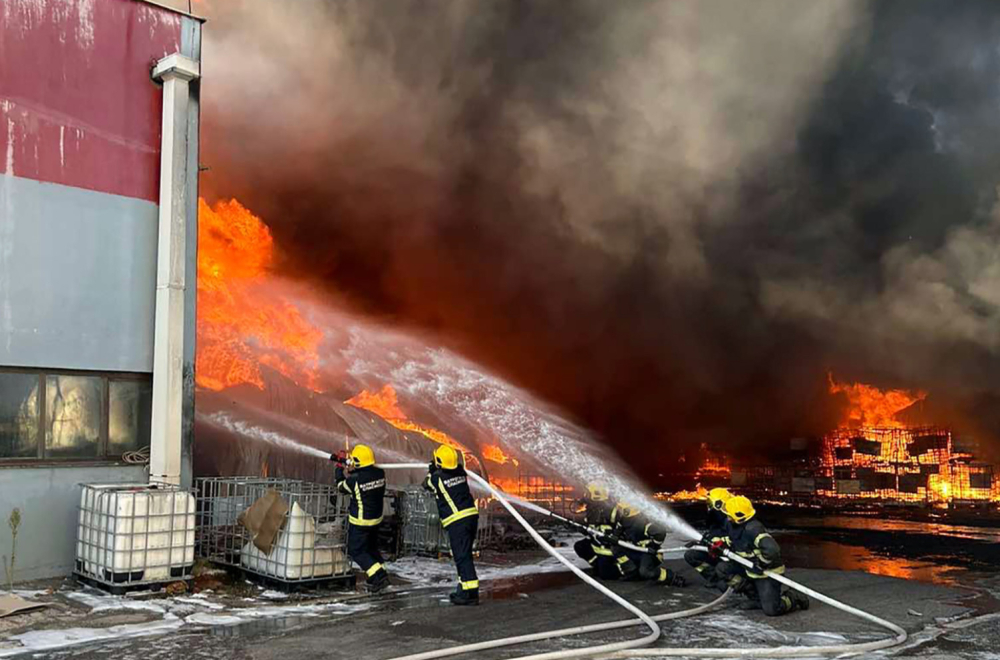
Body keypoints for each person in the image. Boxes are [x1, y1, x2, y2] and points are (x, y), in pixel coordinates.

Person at [715, 495, 809, 616]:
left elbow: (772, 550)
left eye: (729, 515)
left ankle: (793, 597)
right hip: (748, 568)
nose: (727, 518)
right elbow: (735, 541)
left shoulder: (753, 529)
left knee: (772, 610)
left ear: (739, 516)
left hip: (767, 572)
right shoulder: (734, 526)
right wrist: (718, 543)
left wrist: (762, 562)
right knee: (722, 569)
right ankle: (756, 598)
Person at [424, 445, 480, 605]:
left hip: (458, 521)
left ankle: (470, 594)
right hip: (470, 516)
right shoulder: (461, 472)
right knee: (464, 555)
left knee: (462, 557)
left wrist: (431, 470)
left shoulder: (437, 479)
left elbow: (426, 484)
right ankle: (465, 588)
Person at [334, 444, 390, 593]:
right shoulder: (380, 473)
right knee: (371, 548)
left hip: (360, 521)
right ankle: (379, 572)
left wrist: (339, 468)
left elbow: (341, 486)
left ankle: (379, 576)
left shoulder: (354, 480)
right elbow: (364, 475)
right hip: (376, 519)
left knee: (356, 550)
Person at [609, 502, 686, 587]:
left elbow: (660, 533)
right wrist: (614, 537)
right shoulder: (624, 520)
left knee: (646, 572)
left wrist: (654, 546)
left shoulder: (644, 523)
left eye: (621, 508)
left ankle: (671, 577)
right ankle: (631, 572)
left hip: (648, 552)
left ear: (628, 510)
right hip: (635, 550)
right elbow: (618, 529)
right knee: (616, 548)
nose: (619, 511)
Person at [684, 487, 732, 588]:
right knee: (691, 555)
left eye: (710, 503)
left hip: (731, 558)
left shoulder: (731, 520)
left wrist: (719, 541)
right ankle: (714, 579)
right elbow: (713, 535)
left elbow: (732, 540)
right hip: (717, 552)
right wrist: (700, 543)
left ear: (719, 504)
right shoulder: (715, 518)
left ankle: (734, 582)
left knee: (723, 567)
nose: (708, 506)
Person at [572, 483, 621, 580]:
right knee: (580, 546)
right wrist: (584, 530)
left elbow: (622, 531)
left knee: (606, 575)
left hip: (610, 550)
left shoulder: (612, 511)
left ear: (596, 495)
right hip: (597, 545)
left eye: (588, 494)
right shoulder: (592, 510)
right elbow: (591, 527)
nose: (585, 496)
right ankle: (597, 564)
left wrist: (613, 536)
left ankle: (621, 568)